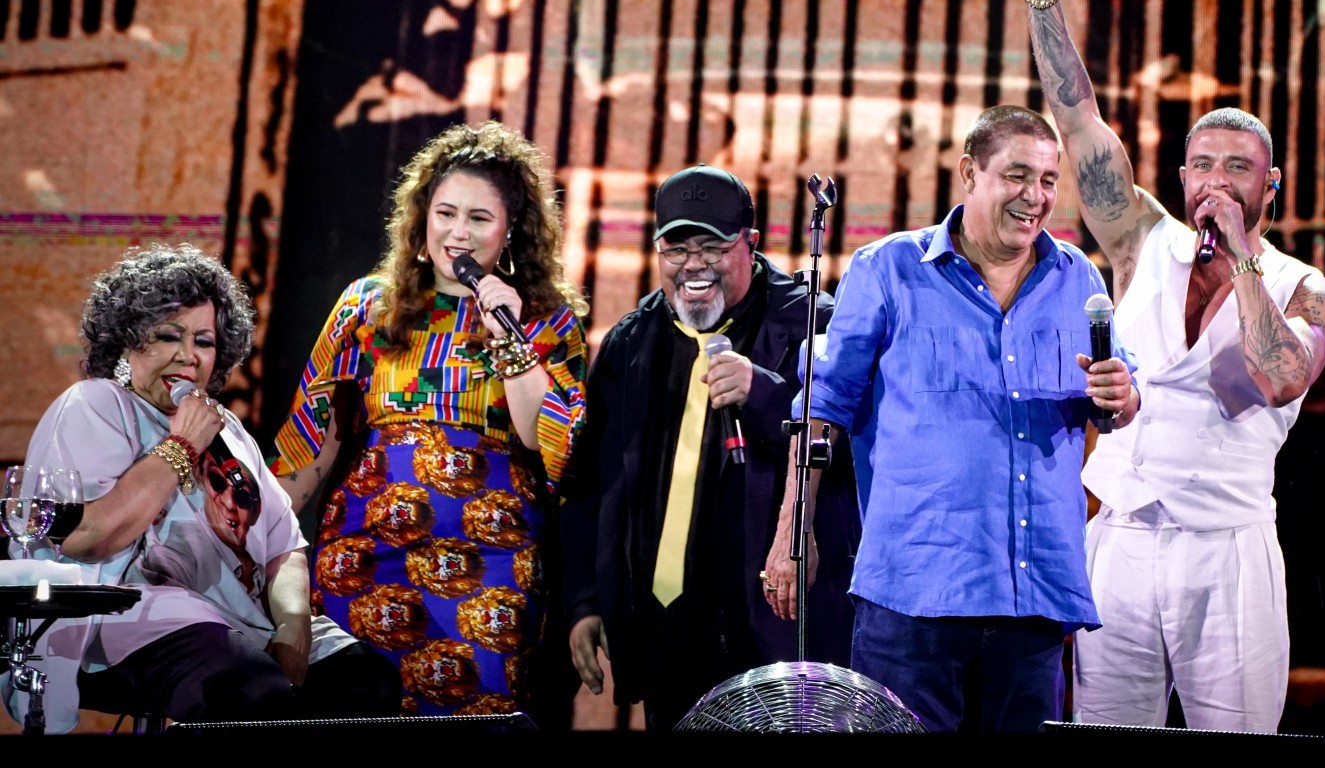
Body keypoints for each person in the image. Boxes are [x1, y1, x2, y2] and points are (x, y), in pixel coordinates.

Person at [980, 0, 1325, 732]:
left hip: (1228, 555)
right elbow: (1078, 121)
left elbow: (1281, 378)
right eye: (1201, 164)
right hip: (1123, 544)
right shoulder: (1143, 239)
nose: (1215, 180)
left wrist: (1241, 251)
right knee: (1108, 734)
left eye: (1237, 168)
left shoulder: (1300, 286)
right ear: (1180, 179)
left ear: (1269, 188)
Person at [770, 105, 1138, 732]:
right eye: (1017, 175)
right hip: (915, 597)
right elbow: (825, 409)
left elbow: (1117, 400)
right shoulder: (887, 270)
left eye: (1049, 180)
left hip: (1035, 599)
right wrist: (790, 530)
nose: (1036, 196)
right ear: (970, 172)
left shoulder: (1077, 276)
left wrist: (1123, 395)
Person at [267, 120, 589, 717]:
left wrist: (511, 339)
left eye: (479, 219)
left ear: (510, 231)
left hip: (491, 560)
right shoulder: (368, 304)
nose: (457, 234)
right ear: (421, 218)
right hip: (365, 552)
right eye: (445, 213)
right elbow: (313, 439)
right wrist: (253, 542)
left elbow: (548, 443)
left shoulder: (545, 318)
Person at [7, 245, 398, 732]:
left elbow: (284, 544)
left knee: (366, 681)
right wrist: (182, 445)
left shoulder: (228, 429)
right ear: (130, 344)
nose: (189, 356)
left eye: (205, 341)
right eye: (169, 336)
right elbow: (90, 538)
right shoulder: (96, 403)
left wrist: (294, 626)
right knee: (246, 687)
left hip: (238, 619)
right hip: (128, 611)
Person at [560, 165, 860, 729]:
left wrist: (769, 396)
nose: (693, 264)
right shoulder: (633, 340)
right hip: (670, 626)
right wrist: (585, 601)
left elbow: (865, 452)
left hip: (774, 624)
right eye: (676, 248)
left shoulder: (812, 322)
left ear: (750, 244)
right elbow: (590, 484)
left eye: (712, 246)